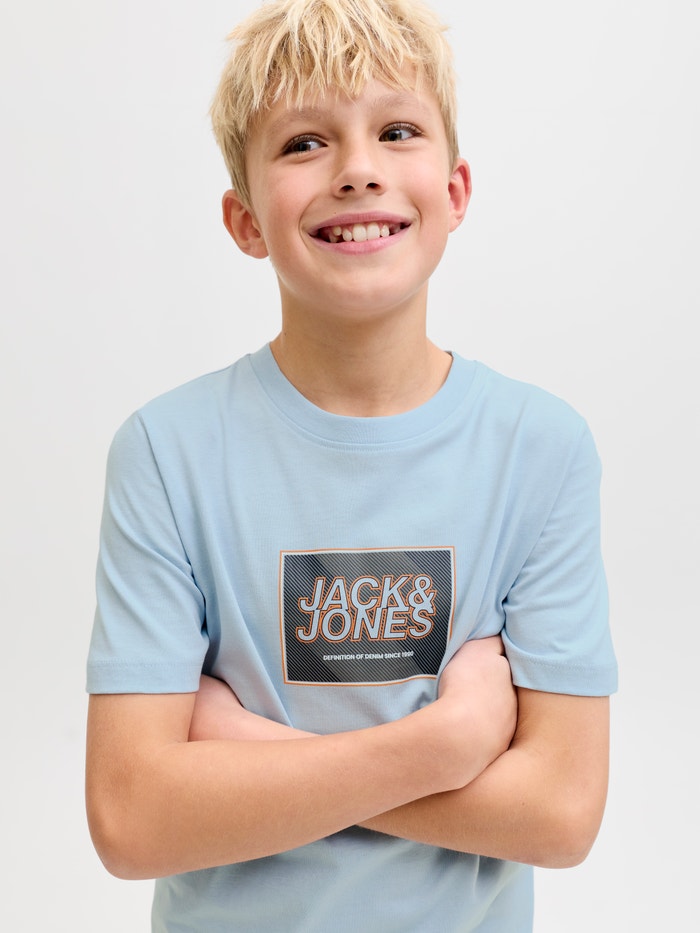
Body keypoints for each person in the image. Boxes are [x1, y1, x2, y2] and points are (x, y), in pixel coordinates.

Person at [85, 0, 618, 930]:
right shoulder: (167, 453)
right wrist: (445, 743)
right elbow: (131, 821)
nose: (358, 169)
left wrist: (242, 747)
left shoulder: (541, 447)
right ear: (245, 219)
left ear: (455, 190)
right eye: (304, 144)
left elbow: (562, 814)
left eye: (397, 131)